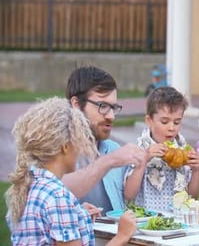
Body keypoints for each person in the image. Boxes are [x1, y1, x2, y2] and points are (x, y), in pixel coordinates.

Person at [5, 97, 137, 245]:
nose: (80, 148)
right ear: (65, 146)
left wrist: (78, 214)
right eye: (77, 140)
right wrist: (122, 236)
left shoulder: (30, 185)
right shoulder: (58, 198)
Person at [63, 66, 146, 213]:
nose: (111, 116)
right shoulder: (54, 151)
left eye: (113, 107)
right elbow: (40, 200)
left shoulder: (114, 149)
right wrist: (75, 213)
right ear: (76, 104)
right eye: (102, 106)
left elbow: (132, 200)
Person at [123, 86, 199, 211]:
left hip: (176, 221)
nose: (171, 128)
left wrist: (196, 171)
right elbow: (128, 194)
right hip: (147, 222)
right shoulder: (140, 150)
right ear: (149, 121)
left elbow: (192, 196)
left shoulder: (183, 150)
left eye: (177, 122)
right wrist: (144, 160)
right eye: (164, 122)